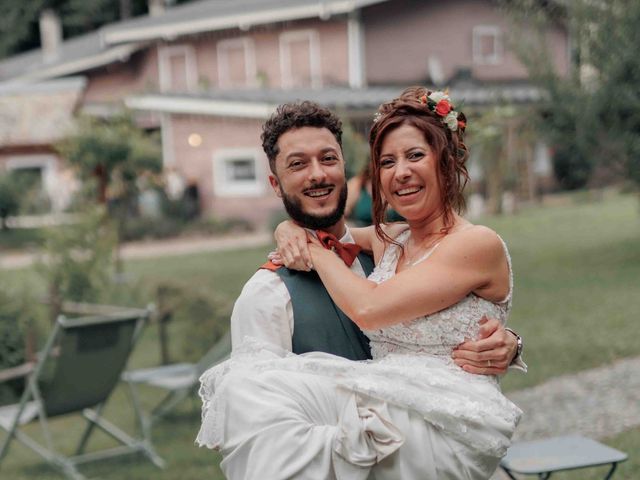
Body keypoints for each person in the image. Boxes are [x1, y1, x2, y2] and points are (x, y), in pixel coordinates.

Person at [197, 94, 524, 479]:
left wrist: (511, 343)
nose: (317, 174)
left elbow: (384, 306)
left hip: (433, 428)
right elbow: (262, 430)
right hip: (359, 442)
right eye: (298, 164)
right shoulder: (270, 293)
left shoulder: (395, 249)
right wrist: (290, 229)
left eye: (328, 159)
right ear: (276, 183)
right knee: (244, 387)